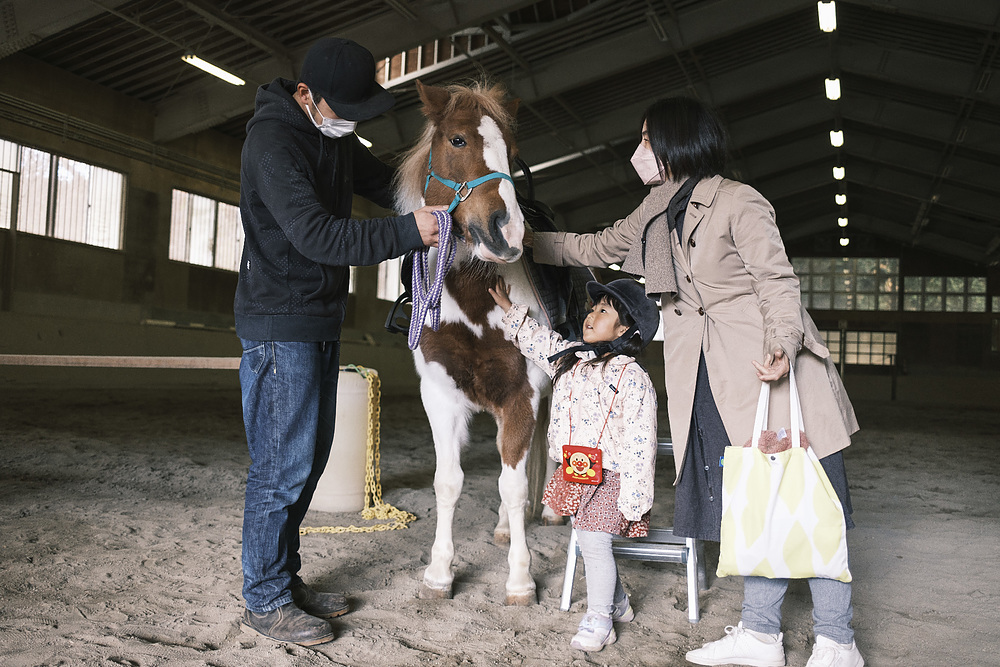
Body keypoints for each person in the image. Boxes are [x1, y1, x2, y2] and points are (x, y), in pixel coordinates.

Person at [526, 96, 864, 667]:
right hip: (704, 373)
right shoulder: (656, 209)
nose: (639, 150)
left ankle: (837, 640)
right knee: (751, 501)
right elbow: (598, 247)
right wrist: (520, 242)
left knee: (806, 497)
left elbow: (777, 281)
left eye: (646, 138)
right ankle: (760, 635)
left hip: (764, 366)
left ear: (675, 142)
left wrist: (781, 344)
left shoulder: (738, 201)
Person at [234, 37, 446, 647]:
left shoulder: (332, 137)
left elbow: (385, 184)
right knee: (281, 468)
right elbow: (320, 237)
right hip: (280, 321)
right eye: (344, 108)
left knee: (308, 459)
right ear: (307, 95)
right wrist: (412, 233)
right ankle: (265, 598)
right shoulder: (272, 141)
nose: (353, 122)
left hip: (318, 317)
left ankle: (283, 579)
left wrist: (452, 185)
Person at [488, 276, 660, 652]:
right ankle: (619, 604)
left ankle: (601, 618)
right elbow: (539, 341)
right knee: (587, 538)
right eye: (592, 308)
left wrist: (636, 496)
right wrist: (507, 308)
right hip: (577, 470)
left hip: (611, 476)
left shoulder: (631, 377)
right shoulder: (568, 360)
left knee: (596, 543)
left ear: (626, 327)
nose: (591, 315)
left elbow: (641, 439)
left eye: (604, 311)